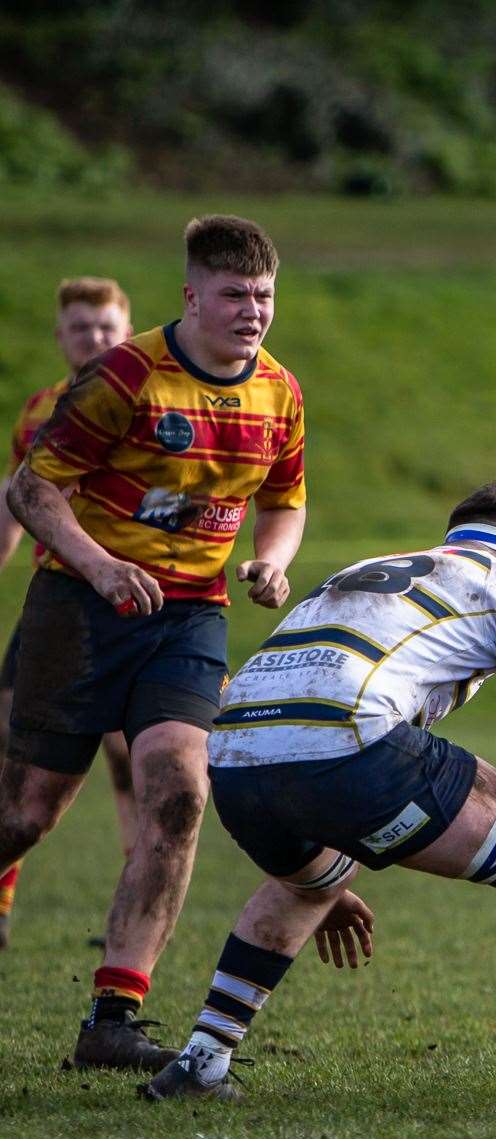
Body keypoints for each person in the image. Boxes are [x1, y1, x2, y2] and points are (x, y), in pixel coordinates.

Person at [140, 482, 496, 1107]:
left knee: (310, 880)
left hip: (232, 756)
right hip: (345, 739)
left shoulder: (366, 570)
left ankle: (201, 1062)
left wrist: (316, 875)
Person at [1, 216, 307, 1072]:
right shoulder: (126, 375)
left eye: (265, 296)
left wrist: (272, 561)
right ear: (192, 297)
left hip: (190, 615)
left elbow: (285, 499)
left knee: (177, 791)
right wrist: (99, 568)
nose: (253, 312)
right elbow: (33, 490)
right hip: (80, 608)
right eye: (235, 295)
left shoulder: (280, 391)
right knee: (25, 814)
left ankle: (113, 1018)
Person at [0, 277, 139, 949]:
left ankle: (130, 909)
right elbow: (19, 500)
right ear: (61, 337)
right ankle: (1, 907)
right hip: (55, 606)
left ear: (128, 328)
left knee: (133, 761)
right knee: (12, 759)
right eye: (81, 327)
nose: (95, 338)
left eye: (107, 326)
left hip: (132, 605)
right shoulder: (37, 412)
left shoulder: (152, 401)